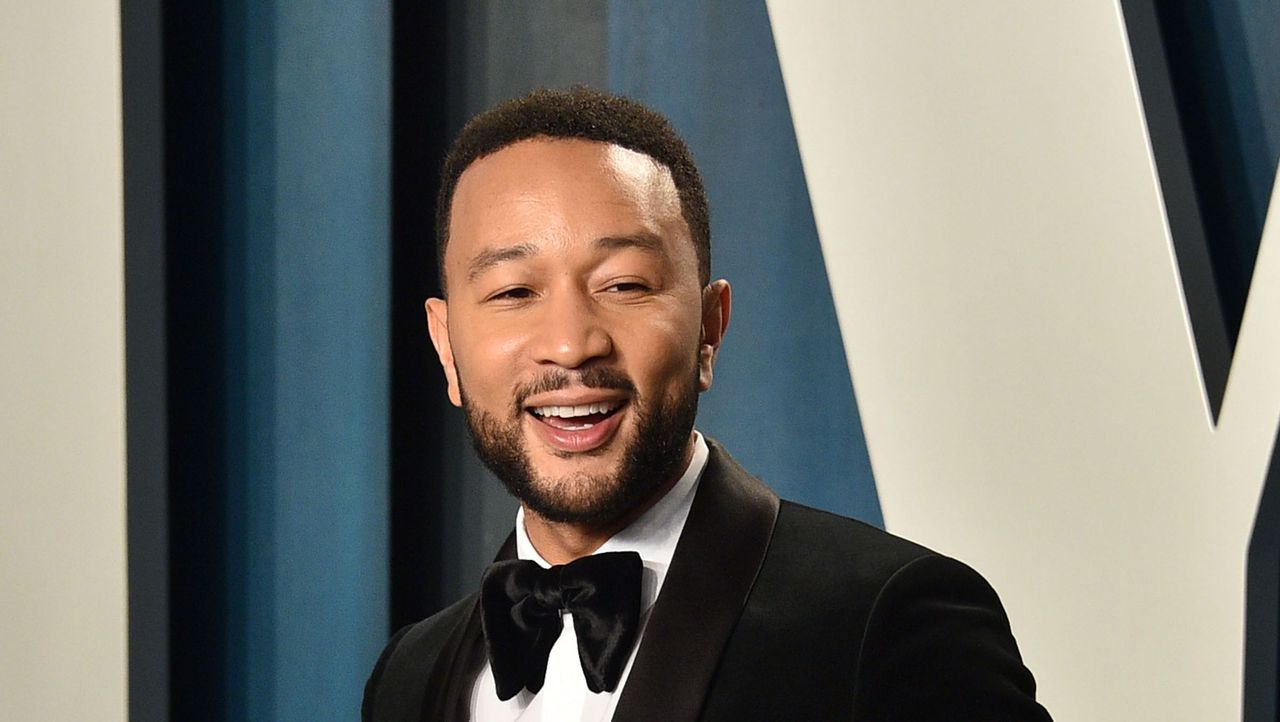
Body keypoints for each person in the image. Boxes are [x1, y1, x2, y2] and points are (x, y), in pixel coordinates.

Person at [363, 87, 1052, 721]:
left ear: (709, 329)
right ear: (447, 347)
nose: (571, 346)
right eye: (514, 292)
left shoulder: (894, 621)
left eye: (624, 284)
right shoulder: (408, 677)